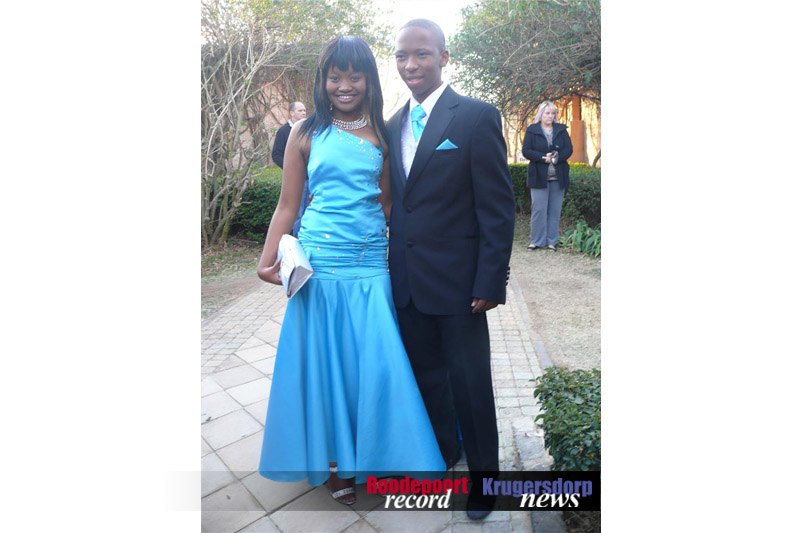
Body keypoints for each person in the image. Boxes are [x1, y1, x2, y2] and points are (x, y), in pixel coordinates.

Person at [256, 36, 445, 506]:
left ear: (368, 80)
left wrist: (423, 250)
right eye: (335, 76)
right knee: (327, 368)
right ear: (322, 80)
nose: (344, 85)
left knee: (377, 363)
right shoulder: (304, 133)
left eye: (354, 76)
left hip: (370, 265)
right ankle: (335, 463)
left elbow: (388, 204)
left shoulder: (383, 133)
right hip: (319, 269)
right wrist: (266, 258)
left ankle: (384, 456)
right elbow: (287, 204)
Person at [387, 19, 515, 520]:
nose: (411, 64)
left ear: (443, 57)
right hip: (408, 284)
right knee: (428, 381)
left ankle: (485, 481)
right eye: (402, 56)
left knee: (470, 385)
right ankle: (443, 454)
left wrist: (490, 280)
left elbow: (497, 208)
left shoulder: (476, 117)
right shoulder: (392, 123)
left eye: (421, 54)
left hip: (462, 286)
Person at [522, 100, 573, 251]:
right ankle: (536, 241)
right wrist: (542, 157)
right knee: (538, 210)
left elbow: (569, 149)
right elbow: (526, 151)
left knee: (554, 211)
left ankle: (552, 241)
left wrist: (557, 157)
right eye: (547, 113)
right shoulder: (532, 130)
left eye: (552, 113)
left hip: (559, 177)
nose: (550, 116)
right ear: (541, 114)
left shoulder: (561, 130)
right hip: (538, 177)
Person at [272, 101, 310, 236]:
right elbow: (276, 154)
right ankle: (296, 240)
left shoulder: (309, 130)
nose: (304, 113)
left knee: (309, 212)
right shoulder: (283, 131)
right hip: (296, 181)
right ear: (292, 113)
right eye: (300, 110)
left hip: (311, 179)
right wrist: (291, 170)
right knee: (297, 212)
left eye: (304, 110)